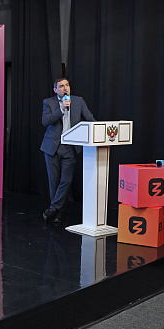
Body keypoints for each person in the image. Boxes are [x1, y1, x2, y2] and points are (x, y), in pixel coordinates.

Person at [41, 77, 95, 223]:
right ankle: (57, 212)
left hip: (70, 147)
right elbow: (45, 121)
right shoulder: (49, 102)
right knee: (54, 181)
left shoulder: (78, 101)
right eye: (61, 86)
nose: (65, 88)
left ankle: (53, 209)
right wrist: (61, 109)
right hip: (52, 147)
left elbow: (90, 118)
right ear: (55, 89)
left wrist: (99, 129)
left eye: (67, 85)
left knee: (66, 180)